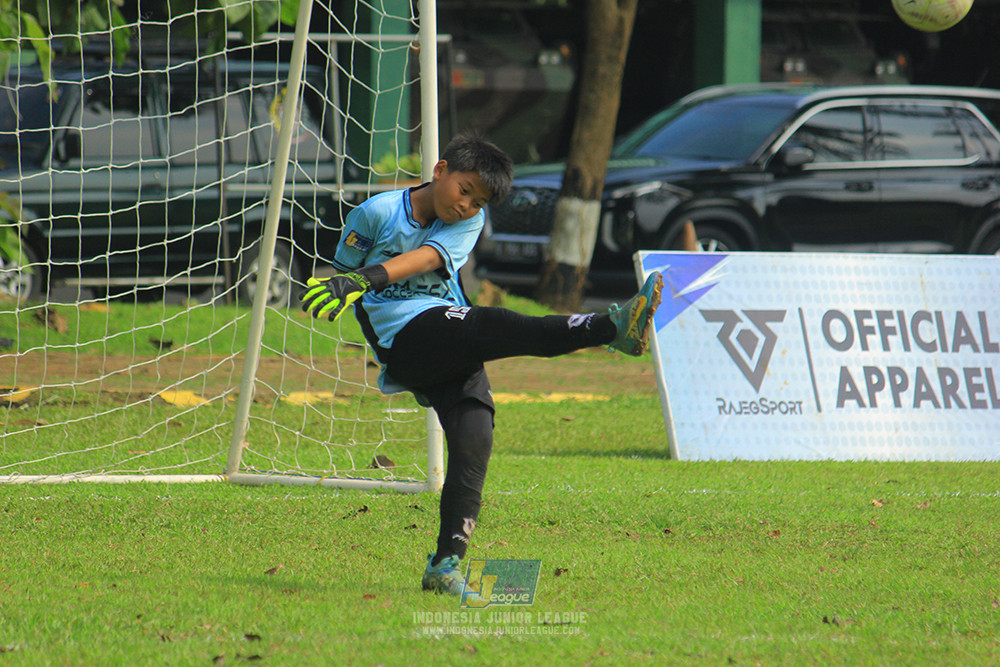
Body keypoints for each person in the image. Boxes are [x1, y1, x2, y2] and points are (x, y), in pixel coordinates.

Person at [301, 132, 663, 597]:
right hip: (406, 339)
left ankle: (445, 565)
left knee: (476, 441)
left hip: (452, 331)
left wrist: (366, 276)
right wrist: (345, 287)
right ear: (440, 171)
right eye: (464, 189)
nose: (467, 205)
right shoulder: (375, 213)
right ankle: (610, 328)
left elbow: (428, 258)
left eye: (479, 201)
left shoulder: (468, 223)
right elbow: (345, 269)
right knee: (497, 323)